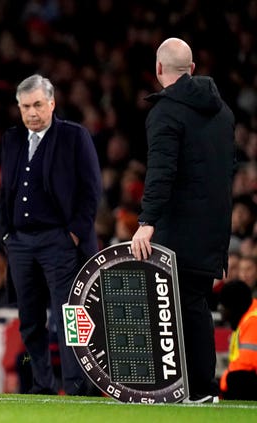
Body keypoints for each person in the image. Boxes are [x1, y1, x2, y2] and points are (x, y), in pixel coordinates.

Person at [130, 37, 235, 403]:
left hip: (180, 227)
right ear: (191, 69)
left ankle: (195, 390)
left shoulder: (166, 111)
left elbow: (162, 170)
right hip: (215, 226)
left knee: (180, 305)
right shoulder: (223, 112)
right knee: (195, 303)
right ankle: (201, 388)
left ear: (159, 70)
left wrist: (147, 220)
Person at [0, 74, 101, 395]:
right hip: (20, 243)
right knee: (29, 319)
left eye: (38, 105)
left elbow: (91, 189)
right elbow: (6, 190)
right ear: (18, 107)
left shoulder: (73, 136)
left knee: (69, 315)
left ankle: (77, 384)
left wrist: (73, 234)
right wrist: (6, 234)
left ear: (52, 103)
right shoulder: (12, 139)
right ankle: (41, 384)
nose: (32, 112)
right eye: (25, 106)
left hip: (60, 241)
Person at [218, 280, 257, 400]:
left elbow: (247, 364)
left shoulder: (253, 321)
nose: (223, 313)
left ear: (234, 306)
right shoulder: (247, 319)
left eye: (224, 307)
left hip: (248, 375)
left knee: (236, 378)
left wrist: (223, 382)